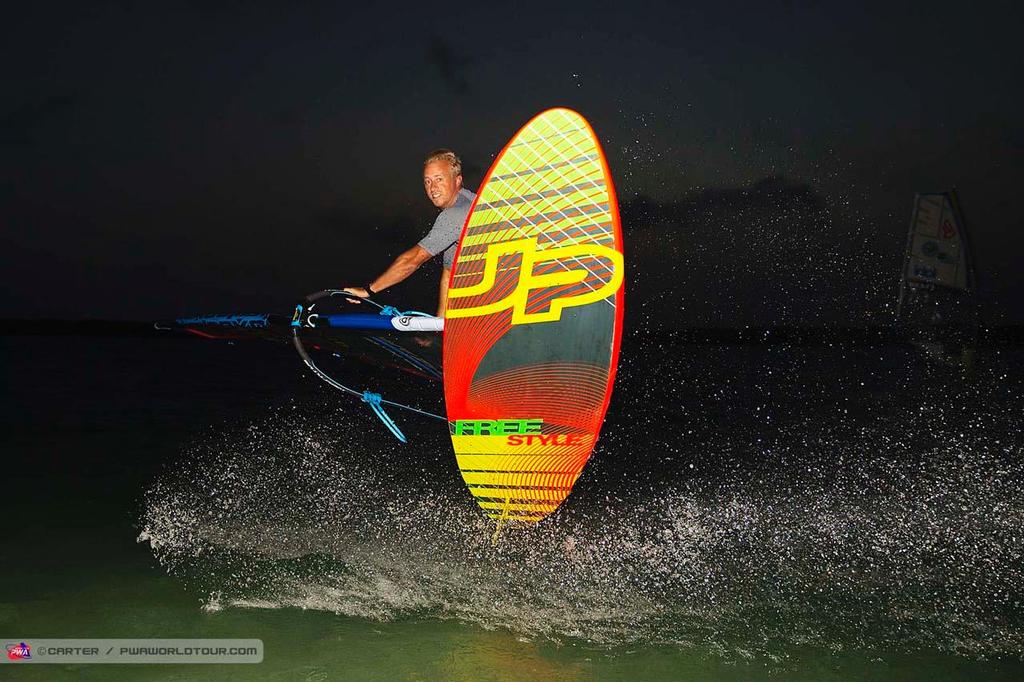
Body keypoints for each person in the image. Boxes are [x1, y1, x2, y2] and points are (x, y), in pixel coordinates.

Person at [342, 149, 476, 316]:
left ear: (458, 180)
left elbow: (414, 259)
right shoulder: (469, 202)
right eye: (427, 182)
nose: (432, 188)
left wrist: (368, 291)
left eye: (439, 179)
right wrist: (440, 325)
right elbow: (449, 274)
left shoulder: (457, 214)